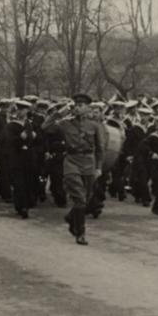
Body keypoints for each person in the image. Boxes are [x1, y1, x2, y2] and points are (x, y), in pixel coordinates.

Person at [41, 93, 104, 246]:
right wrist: (60, 111)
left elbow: (100, 148)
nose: (77, 107)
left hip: (88, 162)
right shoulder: (65, 123)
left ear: (88, 108)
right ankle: (80, 233)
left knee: (86, 199)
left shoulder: (95, 125)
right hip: (71, 162)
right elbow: (45, 127)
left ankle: (71, 218)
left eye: (81, 105)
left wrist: (99, 167)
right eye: (75, 104)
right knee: (80, 199)